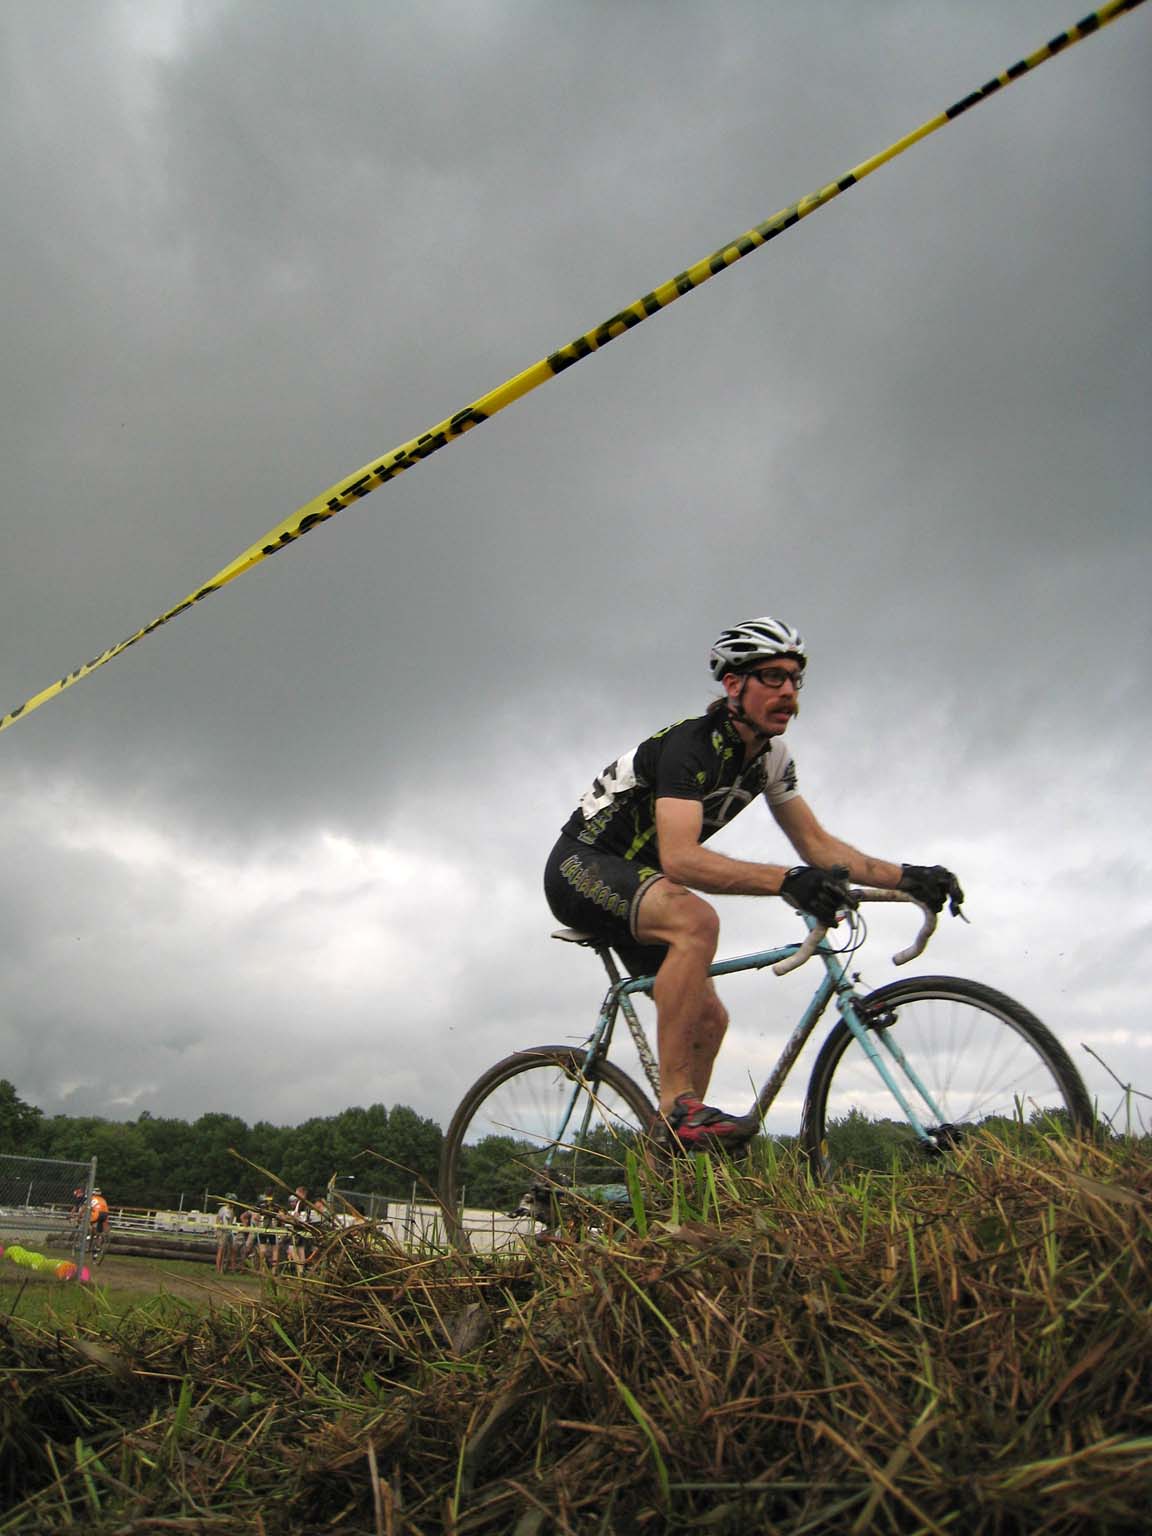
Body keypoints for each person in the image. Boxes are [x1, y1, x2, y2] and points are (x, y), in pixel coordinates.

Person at [544, 616, 963, 1151]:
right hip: (581, 867)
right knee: (696, 919)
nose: (788, 691)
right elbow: (681, 860)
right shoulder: (690, 747)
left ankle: (665, 1163)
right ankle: (678, 1107)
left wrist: (910, 877)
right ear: (733, 685)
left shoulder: (770, 759)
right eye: (772, 677)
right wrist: (788, 881)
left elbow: (819, 848)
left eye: (795, 679)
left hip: (641, 886)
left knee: (711, 1019)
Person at [215, 1193, 239, 1274]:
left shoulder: (232, 1211)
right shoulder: (223, 1209)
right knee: (221, 1250)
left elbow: (231, 1222)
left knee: (232, 1250)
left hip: (229, 1232)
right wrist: (219, 1231)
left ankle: (231, 1268)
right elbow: (218, 1220)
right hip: (222, 1232)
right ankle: (218, 1269)